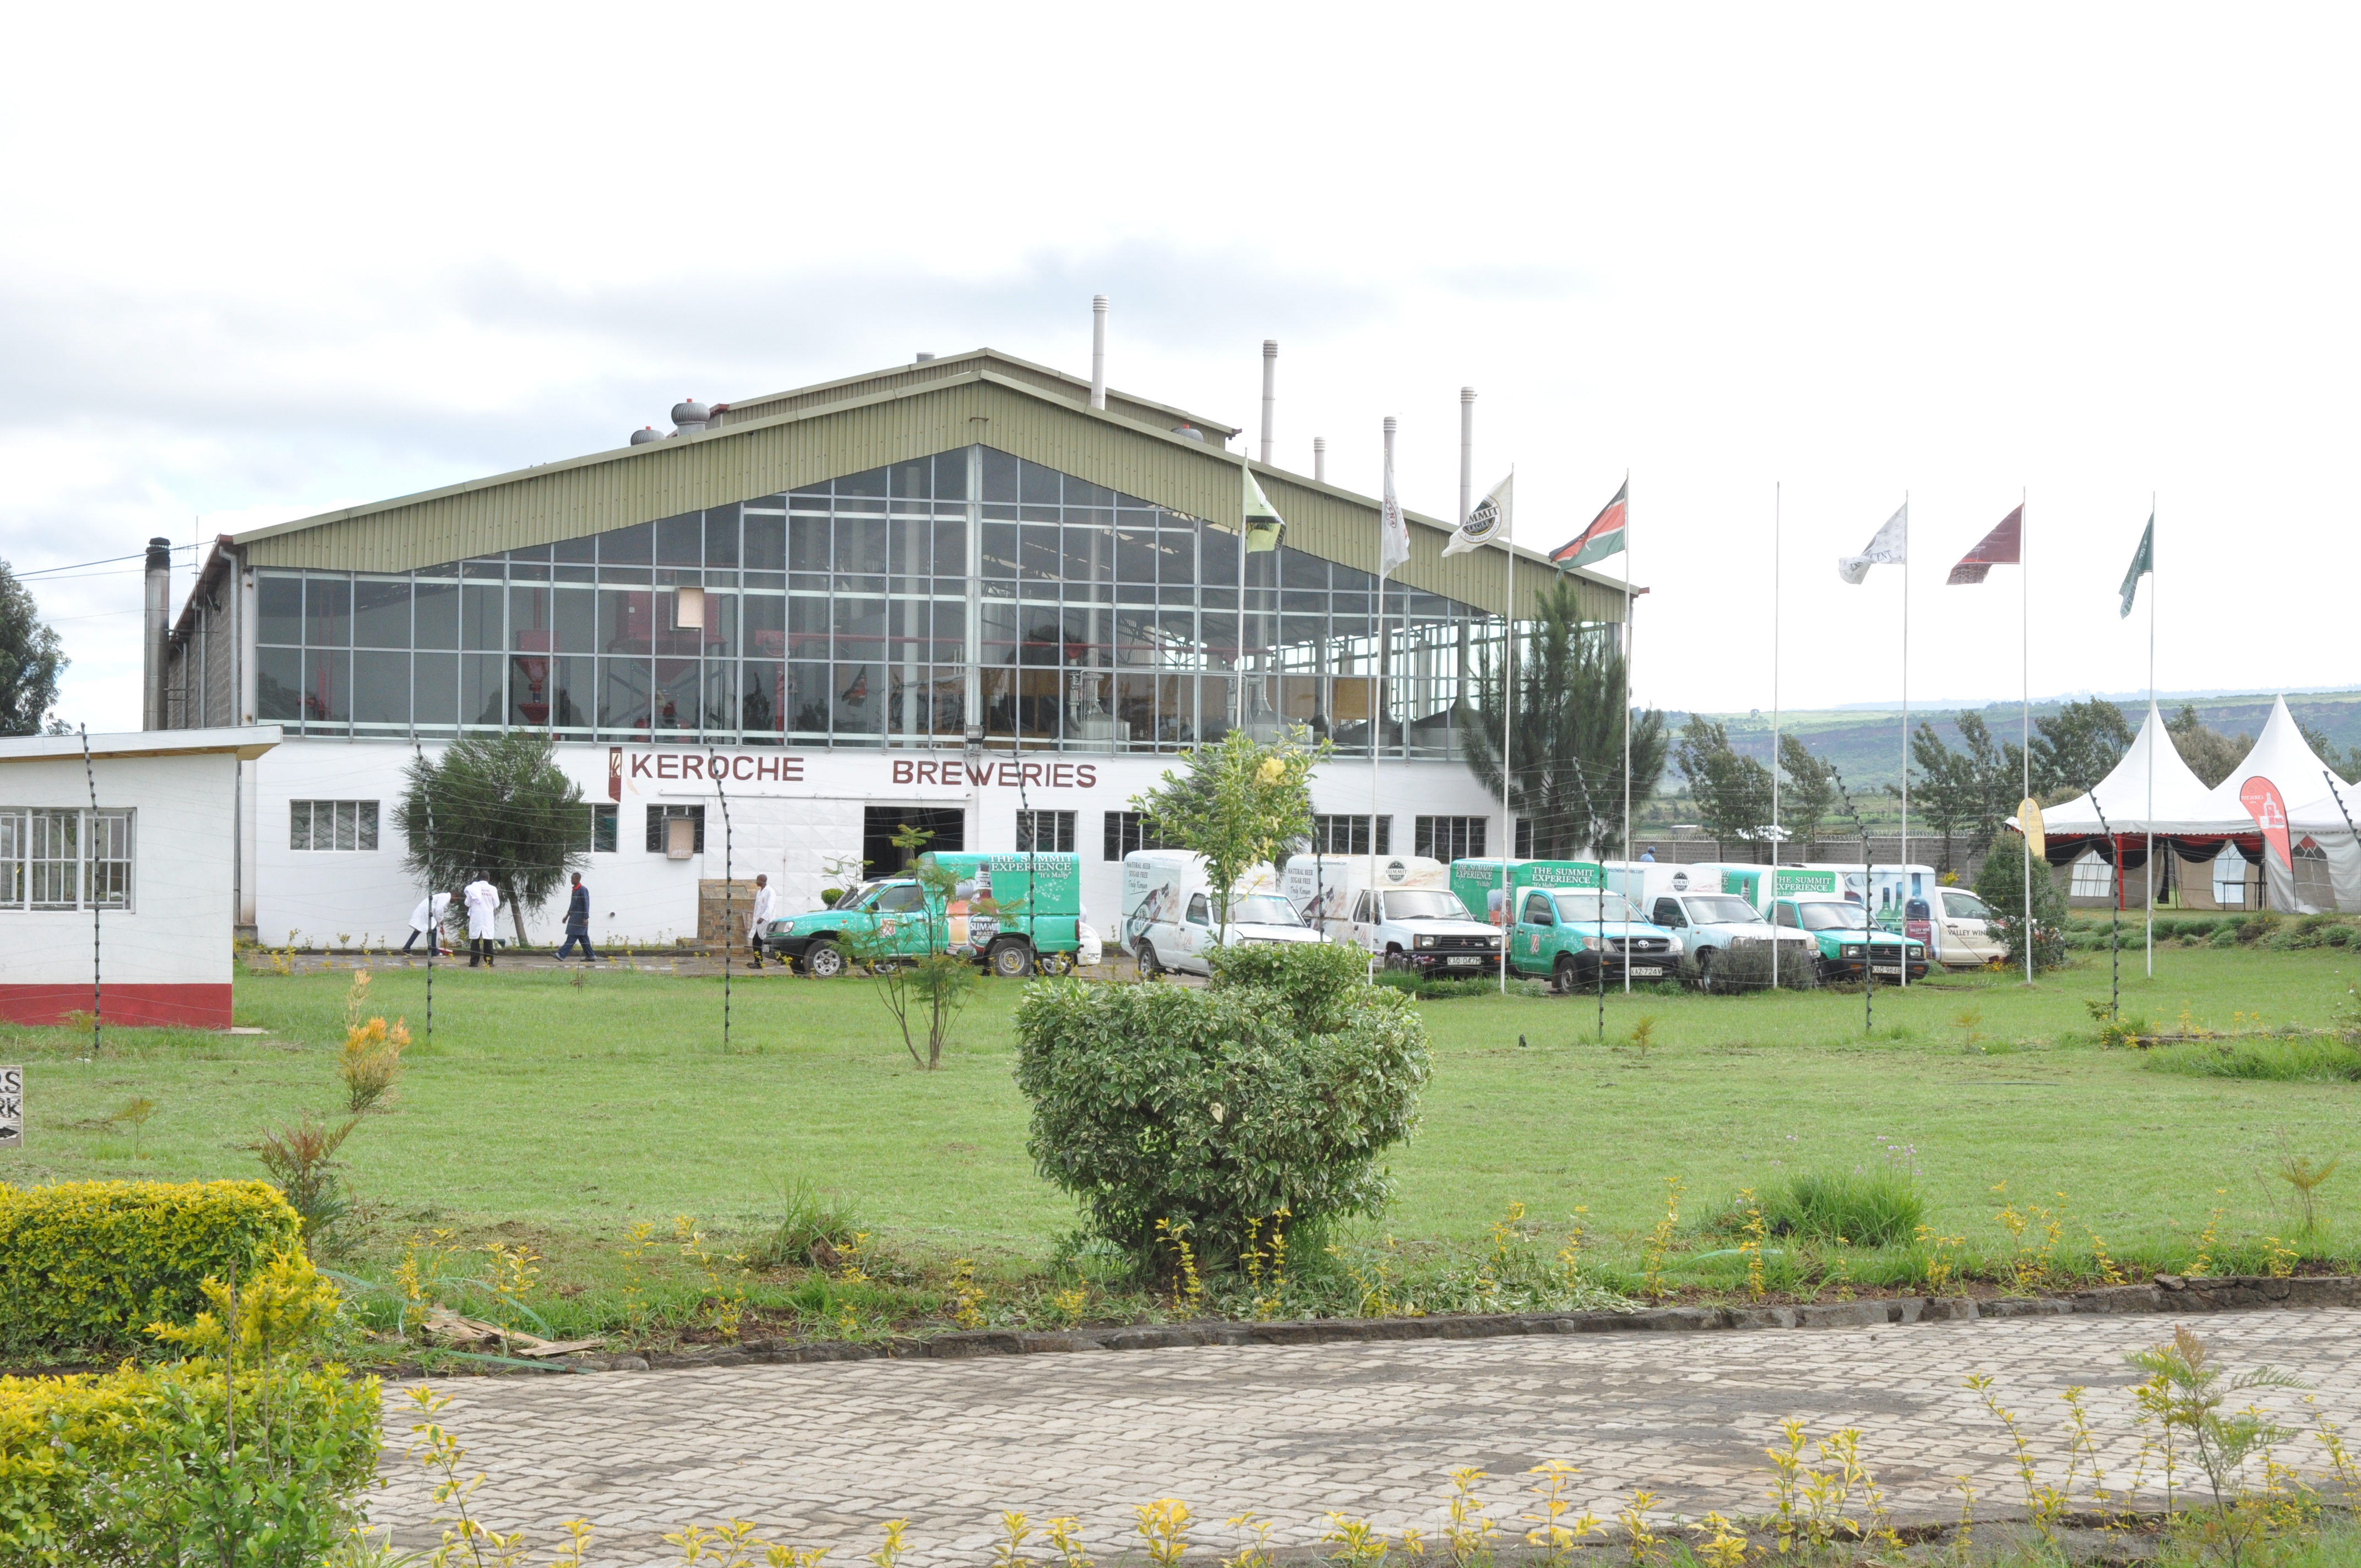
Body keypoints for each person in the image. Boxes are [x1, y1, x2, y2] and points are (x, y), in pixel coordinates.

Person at [464, 873, 502, 967]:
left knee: (475, 939)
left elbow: (467, 903)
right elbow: (496, 904)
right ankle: (490, 962)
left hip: (476, 916)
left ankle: (474, 962)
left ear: (479, 878)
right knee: (488, 939)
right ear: (488, 878)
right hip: (487, 917)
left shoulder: (473, 888)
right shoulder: (492, 889)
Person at [556, 871, 595, 963]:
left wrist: (586, 918)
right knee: (583, 938)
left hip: (580, 919)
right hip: (574, 918)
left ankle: (561, 955)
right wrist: (567, 915)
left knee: (572, 937)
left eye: (572, 878)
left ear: (577, 879)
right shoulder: (575, 890)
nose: (571, 880)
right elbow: (572, 905)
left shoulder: (583, 890)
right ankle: (591, 956)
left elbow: (586, 904)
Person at [403, 889, 455, 955]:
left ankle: (407, 948)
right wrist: (441, 920)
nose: (455, 901)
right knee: (432, 929)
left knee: (419, 929)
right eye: (456, 899)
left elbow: (438, 910)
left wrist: (440, 922)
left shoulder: (443, 896)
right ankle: (433, 951)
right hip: (427, 911)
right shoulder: (446, 897)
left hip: (425, 911)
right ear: (454, 895)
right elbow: (439, 910)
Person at [746, 873, 776, 968]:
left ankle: (759, 963)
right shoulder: (759, 892)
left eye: (758, 880)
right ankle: (758, 962)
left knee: (759, 941)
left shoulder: (770, 891)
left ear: (762, 881)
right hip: (758, 921)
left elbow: (770, 908)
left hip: (765, 921)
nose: (756, 882)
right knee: (756, 941)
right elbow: (757, 907)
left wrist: (763, 918)